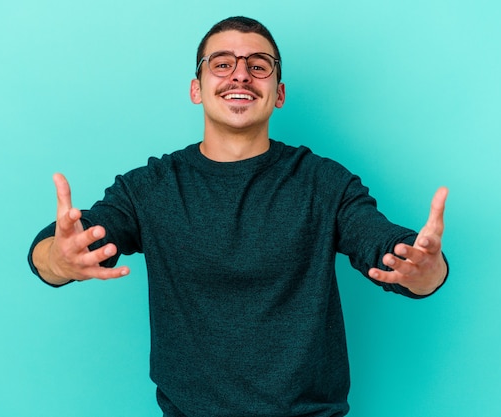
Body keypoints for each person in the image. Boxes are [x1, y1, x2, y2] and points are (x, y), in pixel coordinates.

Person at [28, 16, 448, 417]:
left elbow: (384, 245)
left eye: (259, 66)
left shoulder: (324, 182)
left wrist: (424, 267)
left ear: (279, 94)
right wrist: (58, 259)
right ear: (197, 88)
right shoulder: (151, 187)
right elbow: (73, 243)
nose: (241, 75)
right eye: (223, 63)